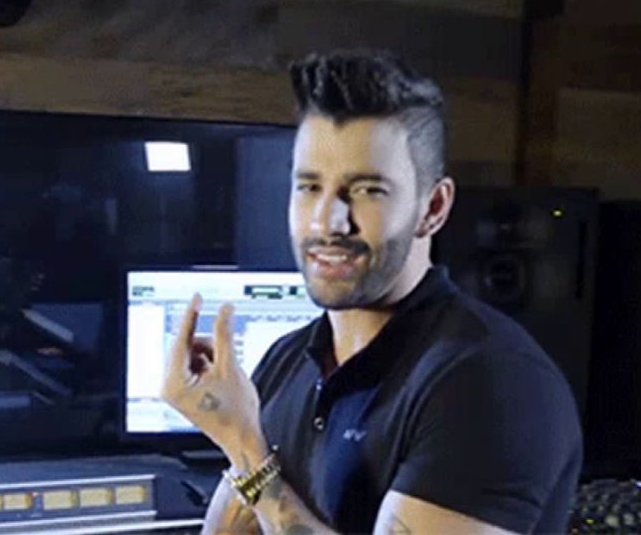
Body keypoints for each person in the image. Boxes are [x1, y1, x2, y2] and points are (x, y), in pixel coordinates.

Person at [161, 50, 582, 534]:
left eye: (367, 190)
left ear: (434, 207)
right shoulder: (286, 361)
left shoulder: (492, 381)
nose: (328, 221)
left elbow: (254, 466)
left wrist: (244, 443)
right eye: (309, 187)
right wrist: (237, 439)